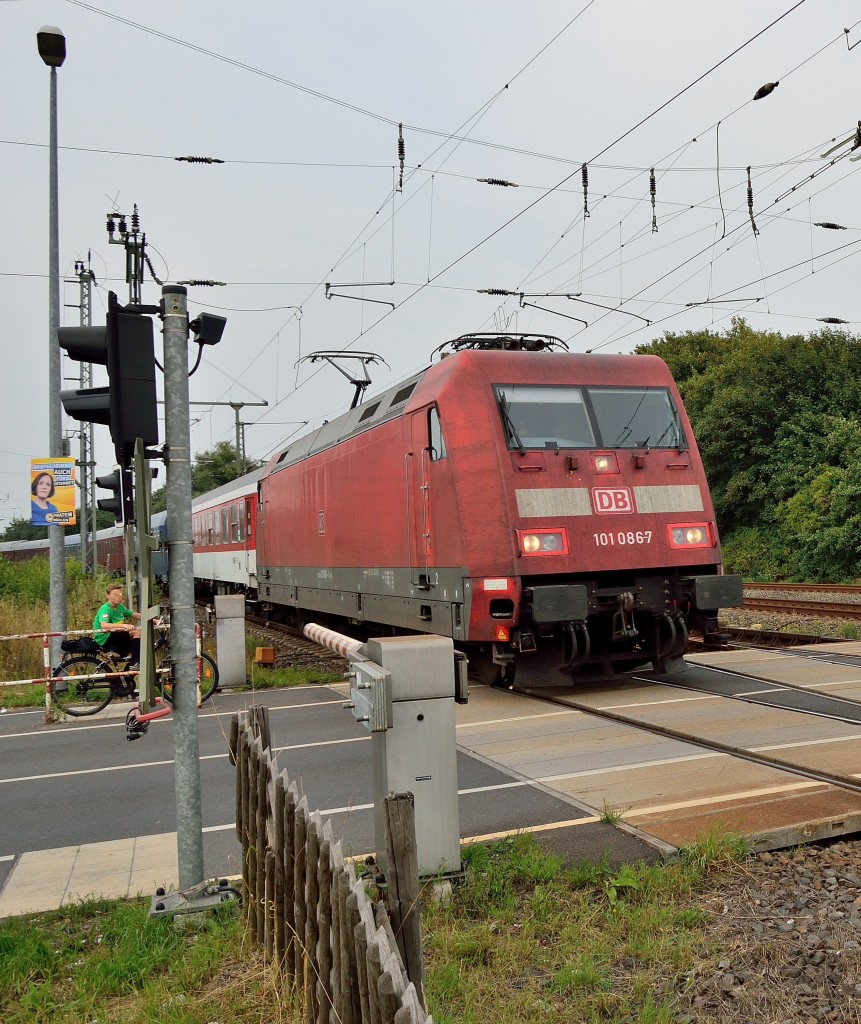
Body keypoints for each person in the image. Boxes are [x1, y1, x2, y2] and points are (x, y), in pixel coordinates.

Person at [93, 584, 141, 665]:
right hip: (105, 638)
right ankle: (136, 662)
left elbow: (135, 615)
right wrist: (124, 625)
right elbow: (104, 625)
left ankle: (131, 666)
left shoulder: (120, 607)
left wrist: (154, 620)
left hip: (115, 635)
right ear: (107, 596)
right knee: (136, 633)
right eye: (115, 595)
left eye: (120, 595)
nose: (118, 597)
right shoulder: (106, 608)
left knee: (137, 645)